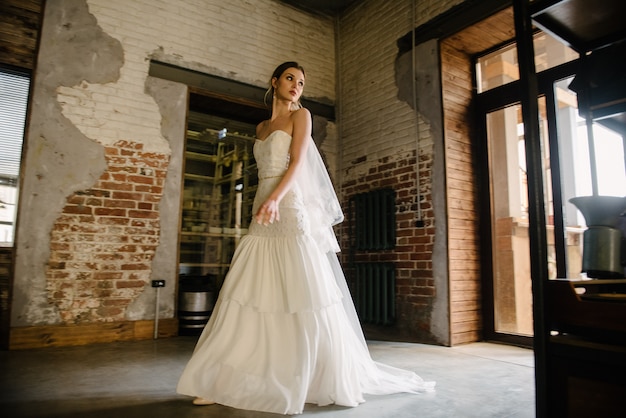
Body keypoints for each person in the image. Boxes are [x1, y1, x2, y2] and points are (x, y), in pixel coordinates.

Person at [176, 61, 435, 415]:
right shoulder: (262, 126)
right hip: (262, 208)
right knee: (250, 291)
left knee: (303, 289)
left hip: (288, 203)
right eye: (290, 79)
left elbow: (297, 162)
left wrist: (275, 199)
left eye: (301, 82)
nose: (296, 85)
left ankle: (310, 374)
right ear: (274, 82)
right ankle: (221, 380)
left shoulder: (302, 117)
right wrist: (264, 201)